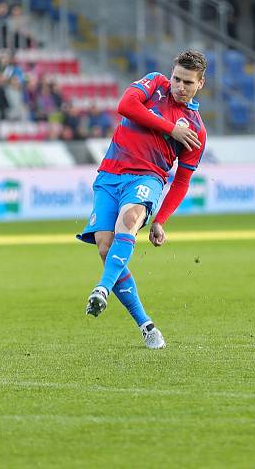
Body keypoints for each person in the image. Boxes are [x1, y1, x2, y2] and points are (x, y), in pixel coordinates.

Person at [78, 50, 208, 350]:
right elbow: (125, 106)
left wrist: (160, 219)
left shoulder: (196, 130)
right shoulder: (154, 83)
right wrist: (170, 129)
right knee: (105, 247)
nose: (179, 86)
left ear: (200, 84)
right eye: (177, 78)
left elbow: (183, 181)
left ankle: (102, 288)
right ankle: (146, 325)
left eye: (188, 82)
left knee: (129, 221)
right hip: (109, 175)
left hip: (146, 179)